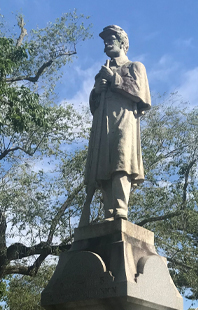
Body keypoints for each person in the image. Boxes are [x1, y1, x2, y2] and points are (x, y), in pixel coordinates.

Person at [78, 25, 150, 226]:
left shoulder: (135, 67)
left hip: (124, 121)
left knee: (121, 163)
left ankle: (120, 208)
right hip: (103, 124)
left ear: (122, 42)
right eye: (105, 41)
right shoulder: (101, 72)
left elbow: (141, 94)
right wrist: (97, 91)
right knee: (103, 168)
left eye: (111, 39)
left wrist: (114, 79)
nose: (107, 44)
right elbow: (93, 106)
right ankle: (108, 210)